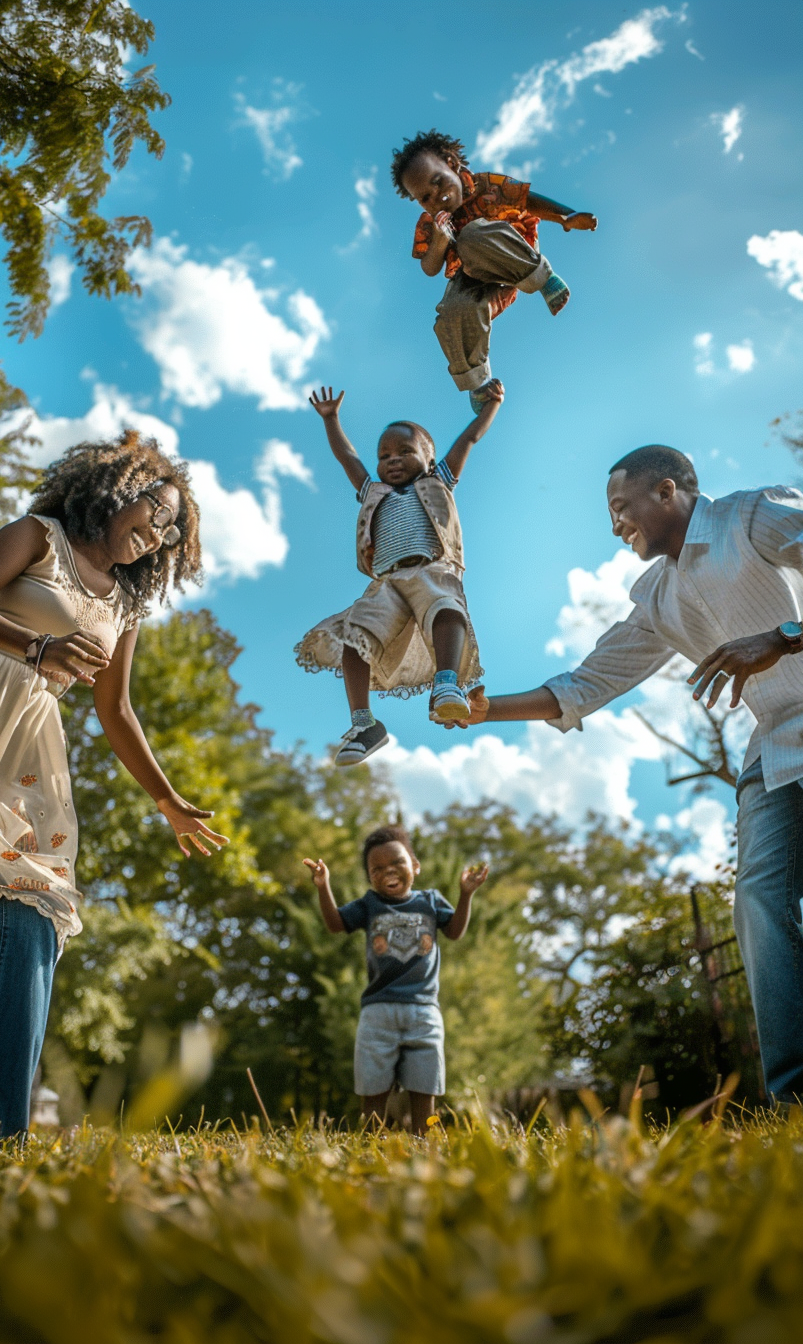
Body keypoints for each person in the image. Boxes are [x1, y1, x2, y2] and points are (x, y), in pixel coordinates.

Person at [450, 443, 803, 1103]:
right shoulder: (660, 598)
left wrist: (782, 635)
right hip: (776, 744)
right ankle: (796, 1096)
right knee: (759, 899)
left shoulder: (753, 516)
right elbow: (588, 681)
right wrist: (483, 713)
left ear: (666, 491)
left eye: (621, 507)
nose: (616, 525)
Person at [0, 430, 228, 1138]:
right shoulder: (38, 536)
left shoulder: (124, 608)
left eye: (172, 529)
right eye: (156, 509)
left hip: (28, 756)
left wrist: (167, 799)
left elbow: (116, 711)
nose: (160, 532)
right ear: (116, 490)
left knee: (31, 921)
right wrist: (37, 646)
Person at [294, 383, 501, 766]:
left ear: (430, 457)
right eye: (385, 454)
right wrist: (331, 420)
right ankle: (364, 724)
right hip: (388, 581)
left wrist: (491, 407)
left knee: (446, 607)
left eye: (406, 451)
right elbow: (348, 458)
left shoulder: (439, 480)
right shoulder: (373, 492)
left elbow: (470, 437)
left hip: (432, 568)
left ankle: (445, 686)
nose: (393, 460)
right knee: (354, 635)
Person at [390, 129, 597, 408]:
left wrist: (565, 217)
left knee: (472, 234)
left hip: (513, 255)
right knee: (450, 313)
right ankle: (478, 383)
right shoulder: (431, 224)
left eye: (438, 183)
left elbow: (528, 201)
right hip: (480, 278)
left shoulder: (487, 187)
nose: (436, 197)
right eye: (425, 197)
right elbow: (430, 268)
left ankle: (543, 278)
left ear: (451, 164)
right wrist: (439, 242)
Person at [303, 825, 488, 1134]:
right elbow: (336, 924)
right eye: (377, 868)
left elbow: (454, 931)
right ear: (370, 878)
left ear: (415, 865)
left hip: (424, 1011)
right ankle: (368, 1144)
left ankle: (426, 1140)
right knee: (373, 1091)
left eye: (397, 863)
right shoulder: (369, 904)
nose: (388, 871)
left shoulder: (430, 901)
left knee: (425, 1091)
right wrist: (324, 886)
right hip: (378, 1012)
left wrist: (465, 894)